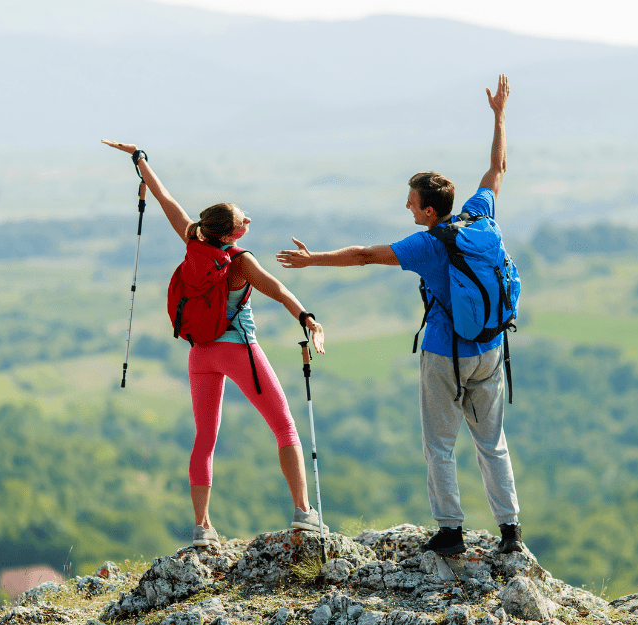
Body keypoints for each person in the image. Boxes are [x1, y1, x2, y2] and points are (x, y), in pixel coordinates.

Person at [275, 75, 522, 556]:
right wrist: (499, 115)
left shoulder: (428, 244)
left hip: (444, 352)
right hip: (492, 346)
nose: (406, 207)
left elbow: (364, 255)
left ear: (430, 211)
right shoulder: (480, 215)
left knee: (440, 445)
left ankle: (451, 530)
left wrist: (311, 260)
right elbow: (498, 167)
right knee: (492, 442)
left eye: (411, 202)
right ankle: (510, 531)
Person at [103, 140, 328, 548]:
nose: (248, 222)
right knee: (284, 425)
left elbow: (166, 200)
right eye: (244, 221)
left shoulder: (193, 239)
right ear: (232, 233)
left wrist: (141, 161)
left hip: (199, 354)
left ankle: (202, 527)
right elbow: (276, 289)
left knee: (204, 438)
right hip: (239, 349)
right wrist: (307, 318)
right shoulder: (240, 261)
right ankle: (303, 513)